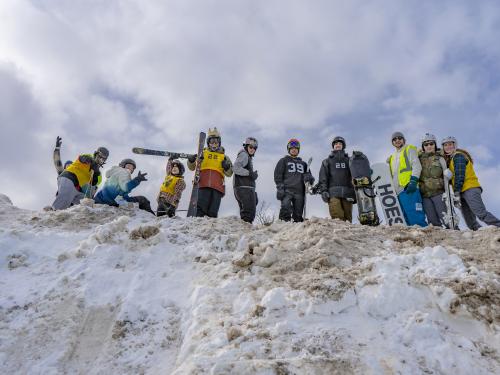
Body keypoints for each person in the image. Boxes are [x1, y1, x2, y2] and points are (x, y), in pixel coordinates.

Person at [442, 136, 500, 230]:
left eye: (450, 144)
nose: (448, 147)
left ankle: (498, 226)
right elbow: (454, 178)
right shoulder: (452, 160)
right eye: (445, 145)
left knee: (481, 214)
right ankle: (480, 235)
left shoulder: (458, 156)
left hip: (470, 189)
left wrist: (456, 192)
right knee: (470, 221)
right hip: (462, 191)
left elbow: (460, 175)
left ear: (455, 145)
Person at [187, 127, 233, 217]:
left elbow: (230, 173)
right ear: (208, 143)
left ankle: (210, 228)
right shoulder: (202, 153)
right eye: (212, 142)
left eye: (216, 142)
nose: (214, 144)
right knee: (200, 208)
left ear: (219, 143)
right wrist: (191, 161)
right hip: (203, 185)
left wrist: (227, 167)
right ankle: (198, 224)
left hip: (217, 187)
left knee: (213, 211)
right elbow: (192, 167)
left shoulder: (224, 157)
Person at [387, 132, 427, 226]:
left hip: (409, 188)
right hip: (398, 191)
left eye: (399, 138)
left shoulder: (409, 149)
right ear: (392, 142)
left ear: (404, 140)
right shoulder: (392, 157)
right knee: (405, 218)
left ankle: (423, 237)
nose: (397, 140)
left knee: (415, 216)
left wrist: (413, 181)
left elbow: (417, 166)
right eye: (395, 139)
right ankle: (412, 240)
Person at [274, 138, 315, 222]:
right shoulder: (283, 161)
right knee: (286, 208)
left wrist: (308, 178)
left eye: (295, 149)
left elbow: (310, 179)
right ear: (289, 150)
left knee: (298, 213)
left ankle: (297, 230)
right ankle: (283, 225)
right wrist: (280, 188)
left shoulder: (304, 164)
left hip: (300, 192)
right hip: (287, 190)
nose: (293, 150)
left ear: (298, 150)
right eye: (292, 148)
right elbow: (278, 175)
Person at [318, 136, 356, 222]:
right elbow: (323, 177)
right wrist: (323, 191)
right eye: (335, 144)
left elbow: (356, 175)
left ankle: (348, 235)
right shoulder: (327, 161)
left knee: (348, 220)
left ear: (343, 146)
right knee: (337, 219)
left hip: (348, 193)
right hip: (333, 193)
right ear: (333, 146)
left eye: (340, 143)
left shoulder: (350, 160)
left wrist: (356, 192)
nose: (338, 145)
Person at [418, 133, 451, 228]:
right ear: (423, 147)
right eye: (426, 144)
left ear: (435, 145)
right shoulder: (418, 159)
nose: (429, 146)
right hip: (425, 195)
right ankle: (439, 241)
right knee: (432, 222)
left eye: (431, 144)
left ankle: (455, 234)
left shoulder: (441, 158)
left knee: (446, 218)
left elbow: (448, 171)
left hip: (438, 193)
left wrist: (448, 190)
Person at [233, 137, 259, 223]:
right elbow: (235, 168)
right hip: (244, 188)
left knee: (247, 213)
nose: (252, 149)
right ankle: (246, 233)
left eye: (254, 148)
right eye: (250, 147)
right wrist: (250, 173)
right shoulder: (244, 154)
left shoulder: (247, 156)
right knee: (249, 214)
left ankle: (243, 233)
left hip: (244, 188)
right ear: (246, 146)